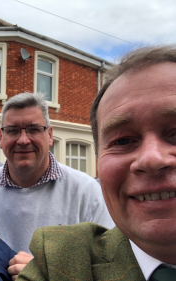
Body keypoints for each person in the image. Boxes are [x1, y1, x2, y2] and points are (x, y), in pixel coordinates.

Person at [17, 46, 176, 280]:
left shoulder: (81, 186)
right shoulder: (58, 262)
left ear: (49, 136)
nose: (151, 159)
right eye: (122, 140)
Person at [0, 93, 114, 279]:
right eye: (12, 130)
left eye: (34, 129)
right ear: (1, 138)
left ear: (49, 135)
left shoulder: (86, 192)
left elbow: (109, 266)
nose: (23, 140)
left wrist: (47, 273)